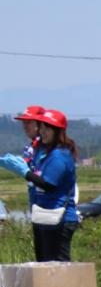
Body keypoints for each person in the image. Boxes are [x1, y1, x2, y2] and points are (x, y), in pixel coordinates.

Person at [0, 109, 80, 261]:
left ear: (57, 131)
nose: (43, 132)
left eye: (47, 128)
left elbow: (48, 184)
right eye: (42, 128)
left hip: (60, 217)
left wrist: (25, 172)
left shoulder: (59, 155)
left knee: (58, 264)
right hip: (44, 214)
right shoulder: (45, 152)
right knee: (43, 264)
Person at [13, 105, 45, 207]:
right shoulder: (29, 148)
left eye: (29, 122)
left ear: (41, 124)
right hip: (34, 198)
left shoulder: (48, 146)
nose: (25, 126)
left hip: (48, 201)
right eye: (24, 122)